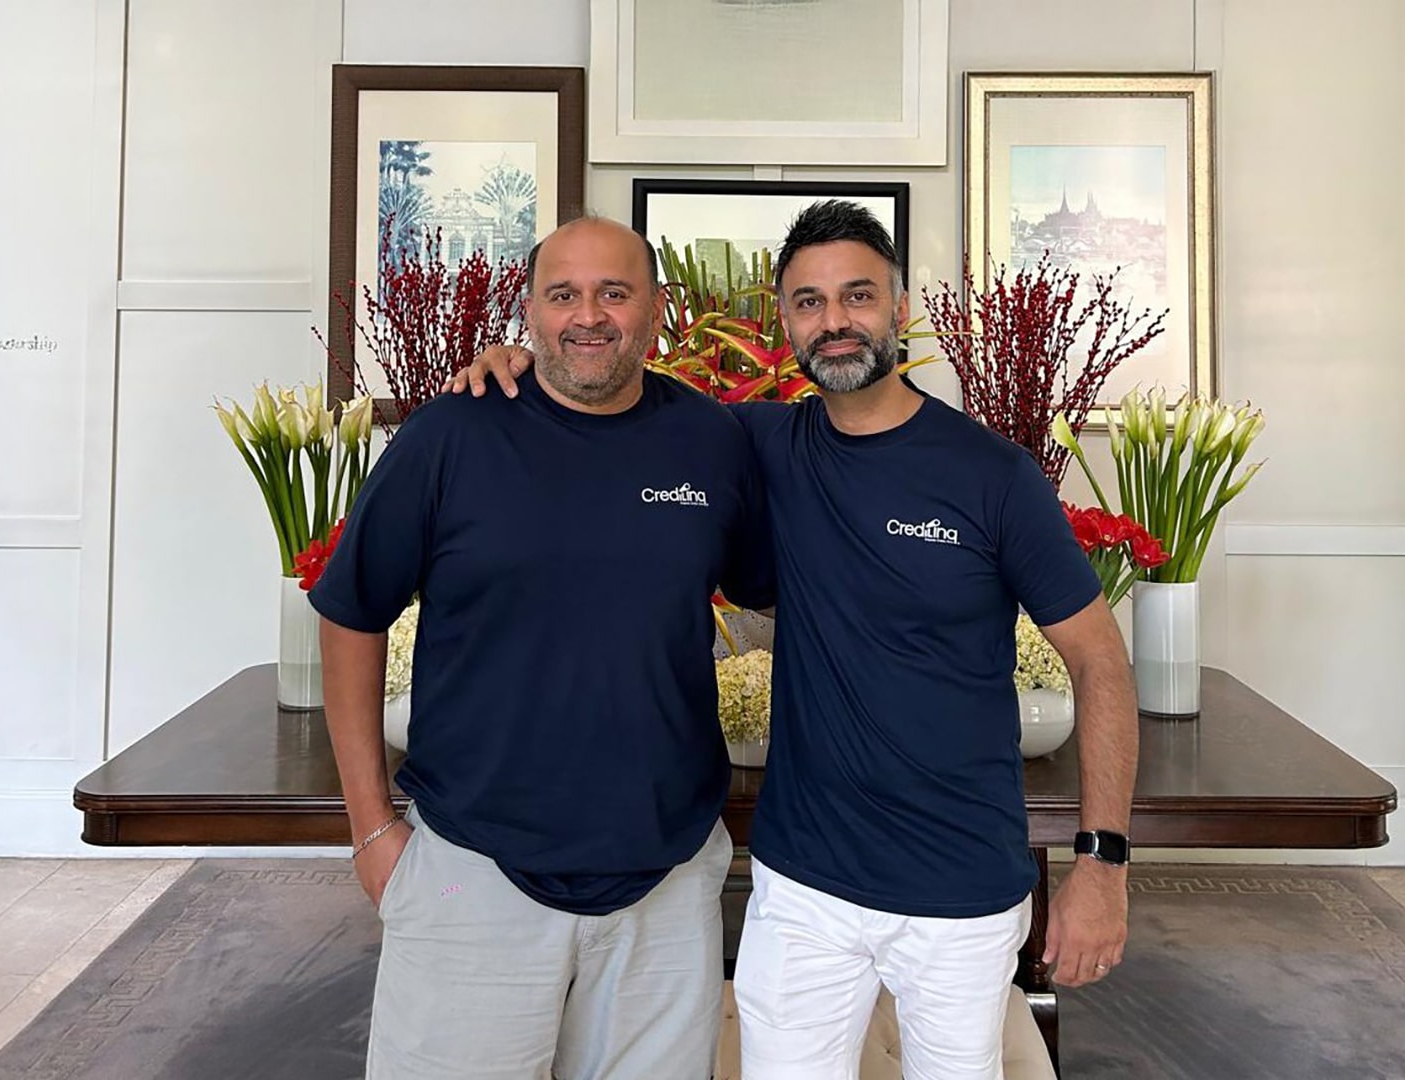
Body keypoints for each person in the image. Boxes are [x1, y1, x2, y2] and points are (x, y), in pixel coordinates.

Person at [453, 200, 1139, 1080]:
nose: (836, 320)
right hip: (803, 882)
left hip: (961, 887)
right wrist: (521, 366)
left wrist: (1103, 864)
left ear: (898, 306)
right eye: (809, 302)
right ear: (785, 322)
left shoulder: (990, 474)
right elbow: (612, 398)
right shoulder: (756, 443)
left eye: (857, 296)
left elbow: (1100, 663)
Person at [310, 215, 775, 1079]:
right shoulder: (451, 435)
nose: (588, 316)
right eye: (563, 294)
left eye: (614, 292)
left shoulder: (712, 440)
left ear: (657, 309)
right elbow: (350, 611)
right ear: (529, 310)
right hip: (471, 870)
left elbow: (767, 588)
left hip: (665, 881)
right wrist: (371, 827)